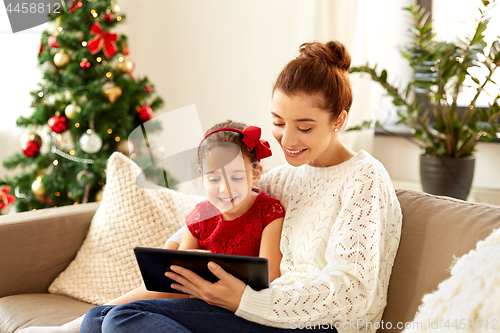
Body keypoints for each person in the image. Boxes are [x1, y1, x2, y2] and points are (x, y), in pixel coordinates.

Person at [79, 40, 402, 333]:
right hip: (257, 311)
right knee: (97, 319)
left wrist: (245, 301)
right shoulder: (285, 179)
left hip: (314, 326)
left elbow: (352, 292)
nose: (287, 140)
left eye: (304, 127)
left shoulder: (364, 178)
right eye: (278, 122)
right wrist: (177, 246)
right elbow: (226, 209)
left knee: (121, 320)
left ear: (339, 121)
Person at [20, 121, 285, 333]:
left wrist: (219, 269)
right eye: (213, 178)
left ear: (256, 173)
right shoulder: (201, 215)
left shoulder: (268, 211)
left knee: (118, 321)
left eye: (237, 177)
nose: (225, 188)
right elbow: (177, 274)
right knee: (94, 320)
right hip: (191, 299)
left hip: (233, 308)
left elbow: (269, 277)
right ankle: (70, 328)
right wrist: (190, 262)